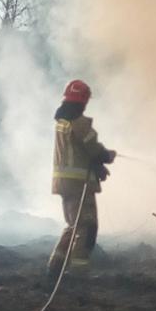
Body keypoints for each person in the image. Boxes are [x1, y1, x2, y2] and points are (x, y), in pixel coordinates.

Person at [48, 79, 115, 280]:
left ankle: (55, 266)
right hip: (79, 184)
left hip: (64, 183)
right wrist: (106, 156)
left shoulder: (62, 122)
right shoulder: (79, 122)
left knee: (74, 225)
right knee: (86, 226)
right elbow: (92, 148)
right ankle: (79, 273)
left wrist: (97, 165)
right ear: (83, 101)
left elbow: (79, 151)